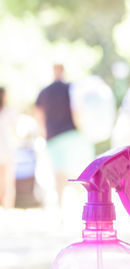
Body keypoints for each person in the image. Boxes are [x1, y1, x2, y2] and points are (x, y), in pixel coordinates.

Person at [34, 64, 94, 208]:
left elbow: (37, 114)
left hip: (53, 137)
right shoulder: (71, 88)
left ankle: (61, 209)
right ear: (63, 71)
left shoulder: (44, 92)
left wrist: (44, 132)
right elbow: (77, 111)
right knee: (77, 173)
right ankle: (81, 207)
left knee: (58, 175)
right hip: (72, 135)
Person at [0, 87, 18, 209]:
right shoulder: (9, 112)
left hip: (7, 149)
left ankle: (6, 207)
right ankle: (7, 207)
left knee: (6, 181)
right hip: (7, 149)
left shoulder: (9, 112)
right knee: (8, 181)